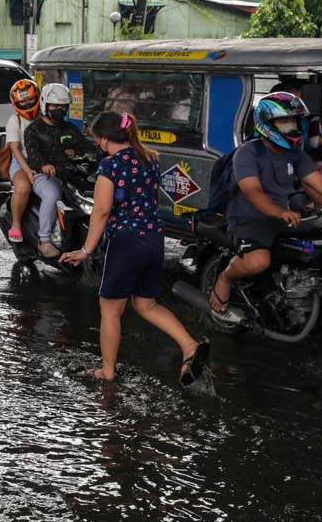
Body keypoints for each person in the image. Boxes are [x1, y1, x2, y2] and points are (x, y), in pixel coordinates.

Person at [60, 112, 210, 385]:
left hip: (125, 242)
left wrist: (86, 249)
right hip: (153, 239)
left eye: (98, 140)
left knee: (110, 310)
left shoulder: (110, 166)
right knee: (146, 304)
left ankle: (107, 370)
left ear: (104, 139)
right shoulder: (150, 158)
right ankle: (190, 346)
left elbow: (102, 211)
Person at [209, 92, 322, 313]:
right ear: (266, 123)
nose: (291, 126)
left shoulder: (295, 154)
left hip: (282, 218)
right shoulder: (248, 153)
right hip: (248, 220)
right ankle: (225, 278)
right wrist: (280, 212)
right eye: (284, 121)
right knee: (258, 262)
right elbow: (253, 192)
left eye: (293, 120)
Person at [22, 83, 85, 259]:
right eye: (55, 106)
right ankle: (44, 240)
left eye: (63, 106)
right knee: (52, 195)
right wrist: (43, 165)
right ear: (45, 105)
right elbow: (33, 155)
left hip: (71, 173)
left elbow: (84, 147)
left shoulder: (71, 128)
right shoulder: (33, 129)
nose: (59, 110)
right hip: (45, 175)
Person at [4, 79, 40, 243]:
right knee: (23, 186)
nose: (27, 104)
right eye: (22, 102)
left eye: (30, 100)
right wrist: (27, 171)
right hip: (21, 163)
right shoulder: (15, 121)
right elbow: (15, 149)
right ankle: (16, 225)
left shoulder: (46, 117)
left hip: (46, 161)